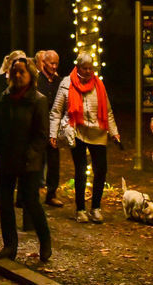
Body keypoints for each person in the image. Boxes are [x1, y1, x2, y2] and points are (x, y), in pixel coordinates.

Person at [0, 55, 51, 263]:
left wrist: (31, 155)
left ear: (30, 75)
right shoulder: (5, 97)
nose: (17, 75)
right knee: (5, 203)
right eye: (14, 71)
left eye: (21, 71)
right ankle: (9, 245)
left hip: (28, 161)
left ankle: (45, 241)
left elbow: (41, 134)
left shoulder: (38, 100)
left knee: (31, 202)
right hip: (7, 158)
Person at [48, 52, 119, 223]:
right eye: (84, 68)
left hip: (98, 132)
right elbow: (56, 111)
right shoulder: (67, 83)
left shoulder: (99, 85)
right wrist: (53, 133)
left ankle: (95, 207)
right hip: (78, 131)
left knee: (101, 170)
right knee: (80, 170)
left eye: (90, 68)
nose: (88, 72)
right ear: (78, 67)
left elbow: (107, 111)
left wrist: (114, 131)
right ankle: (80, 209)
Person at [34, 50, 63, 206]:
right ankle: (32, 193)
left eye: (56, 63)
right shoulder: (37, 80)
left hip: (54, 127)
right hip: (39, 126)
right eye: (51, 63)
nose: (54, 66)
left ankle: (51, 194)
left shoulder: (59, 81)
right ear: (43, 63)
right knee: (36, 161)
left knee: (54, 162)